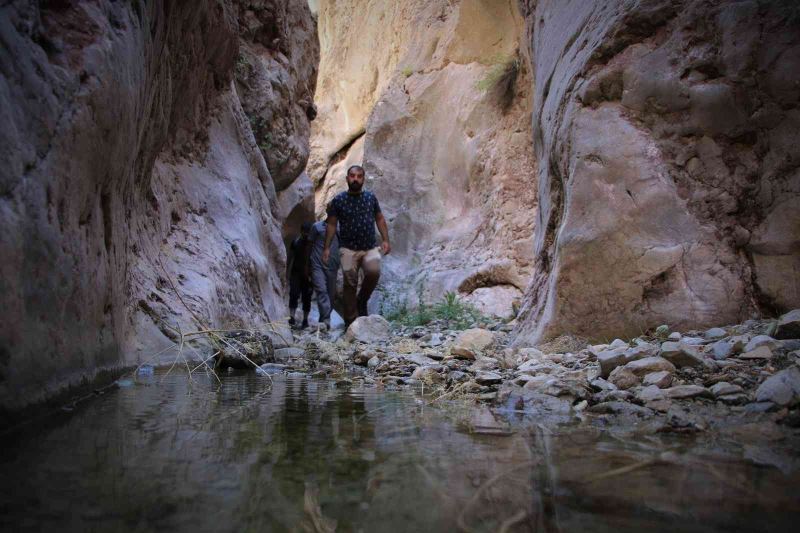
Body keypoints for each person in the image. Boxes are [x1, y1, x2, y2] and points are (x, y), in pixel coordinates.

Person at [322, 165, 391, 329]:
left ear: (363, 179)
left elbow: (379, 219)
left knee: (374, 272)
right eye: (352, 176)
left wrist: (385, 239)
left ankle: (362, 300)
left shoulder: (370, 198)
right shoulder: (338, 201)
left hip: (370, 247)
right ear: (347, 178)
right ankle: (351, 322)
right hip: (348, 249)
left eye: (359, 176)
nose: (355, 179)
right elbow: (331, 225)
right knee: (349, 282)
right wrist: (326, 247)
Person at [307, 215, 340, 331]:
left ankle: (323, 320)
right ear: (327, 210)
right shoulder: (316, 227)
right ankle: (326, 319)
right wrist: (307, 265)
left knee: (331, 294)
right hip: (317, 264)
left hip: (332, 266)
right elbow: (309, 245)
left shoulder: (339, 229)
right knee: (321, 290)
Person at [287, 222, 313, 328]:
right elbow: (290, 257)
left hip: (308, 275)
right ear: (301, 231)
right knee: (294, 294)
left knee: (306, 297)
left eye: (307, 232)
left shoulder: (312, 244)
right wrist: (287, 271)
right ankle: (292, 317)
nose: (306, 234)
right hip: (296, 273)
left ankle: (305, 320)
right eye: (305, 232)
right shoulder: (295, 242)